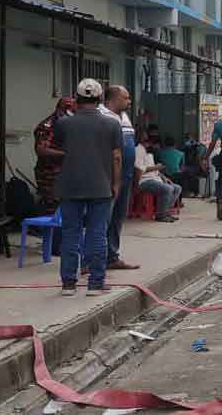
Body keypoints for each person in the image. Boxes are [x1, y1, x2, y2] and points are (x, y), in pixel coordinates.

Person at [55, 79, 121, 296]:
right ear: (100, 98)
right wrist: (116, 183)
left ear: (77, 98)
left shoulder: (64, 123)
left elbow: (62, 149)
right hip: (100, 186)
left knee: (71, 233)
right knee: (97, 233)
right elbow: (117, 157)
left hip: (70, 185)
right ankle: (95, 283)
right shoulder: (112, 124)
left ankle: (68, 284)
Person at [100, 86, 140, 271]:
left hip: (126, 175)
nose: (129, 101)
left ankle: (112, 257)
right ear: (113, 99)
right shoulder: (102, 116)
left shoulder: (123, 116)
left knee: (118, 217)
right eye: (126, 97)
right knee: (103, 218)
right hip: (109, 177)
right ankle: (94, 259)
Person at [34, 96, 77, 210]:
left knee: (66, 208)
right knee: (52, 207)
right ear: (65, 109)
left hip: (64, 172)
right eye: (73, 110)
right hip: (50, 174)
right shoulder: (48, 125)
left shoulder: (68, 124)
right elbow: (41, 150)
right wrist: (66, 154)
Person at [134, 139, 182, 222]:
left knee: (177, 188)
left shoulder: (149, 154)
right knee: (168, 189)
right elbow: (140, 170)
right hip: (145, 180)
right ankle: (160, 215)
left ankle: (166, 212)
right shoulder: (138, 151)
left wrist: (163, 177)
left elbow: (154, 170)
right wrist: (156, 167)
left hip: (155, 178)